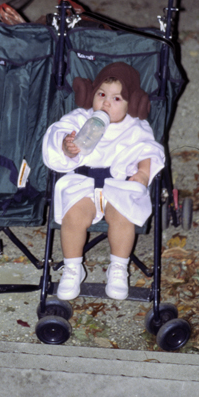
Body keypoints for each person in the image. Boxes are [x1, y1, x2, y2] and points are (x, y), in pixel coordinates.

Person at [42, 62, 165, 301]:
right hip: (82, 183)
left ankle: (118, 267)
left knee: (122, 217)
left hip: (118, 185)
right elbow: (58, 132)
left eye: (117, 98)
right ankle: (72, 267)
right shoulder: (80, 118)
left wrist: (142, 173)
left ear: (131, 103)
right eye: (101, 94)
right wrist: (67, 147)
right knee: (73, 217)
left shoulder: (135, 127)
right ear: (92, 95)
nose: (106, 102)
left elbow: (149, 151)